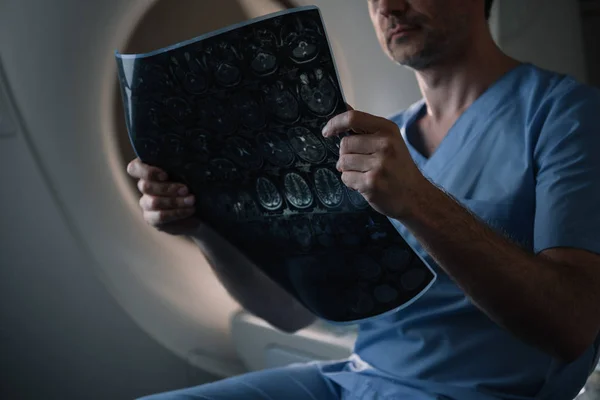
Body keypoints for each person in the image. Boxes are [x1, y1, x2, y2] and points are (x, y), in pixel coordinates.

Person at [126, 0, 600, 398]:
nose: (387, 7)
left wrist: (416, 199)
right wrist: (202, 226)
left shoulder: (564, 116)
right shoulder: (376, 141)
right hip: (355, 381)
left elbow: (572, 326)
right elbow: (289, 313)